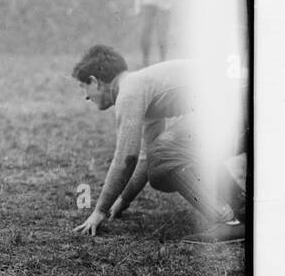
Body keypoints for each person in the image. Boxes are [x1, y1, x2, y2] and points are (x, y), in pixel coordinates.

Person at [70, 44, 246, 243]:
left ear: (94, 81)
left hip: (239, 103)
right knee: (170, 152)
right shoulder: (140, 86)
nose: (85, 96)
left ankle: (229, 223)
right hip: (244, 101)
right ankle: (242, 209)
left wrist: (99, 210)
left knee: (168, 153)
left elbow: (127, 157)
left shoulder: (129, 92)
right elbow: (147, 157)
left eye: (83, 87)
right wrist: (123, 200)